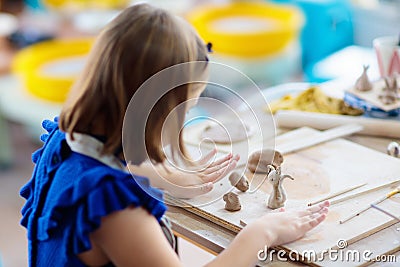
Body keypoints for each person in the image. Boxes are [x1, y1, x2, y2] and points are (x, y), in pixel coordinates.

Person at [20, 3, 329, 267]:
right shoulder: (114, 210)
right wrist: (262, 233)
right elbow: (108, 188)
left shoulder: (66, 138)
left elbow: (107, 167)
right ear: (160, 109)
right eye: (188, 105)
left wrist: (166, 176)